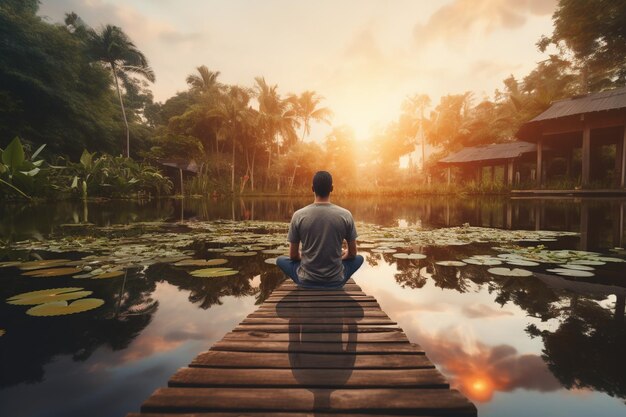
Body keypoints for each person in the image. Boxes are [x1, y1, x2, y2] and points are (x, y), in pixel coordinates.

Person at [276, 171, 364, 288]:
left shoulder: (298, 215)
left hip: (306, 280)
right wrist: (339, 257)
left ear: (312, 189)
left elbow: (292, 256)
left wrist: (309, 257)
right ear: (331, 188)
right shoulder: (346, 215)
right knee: (359, 258)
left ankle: (306, 278)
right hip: (336, 280)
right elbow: (352, 253)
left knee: (280, 260)